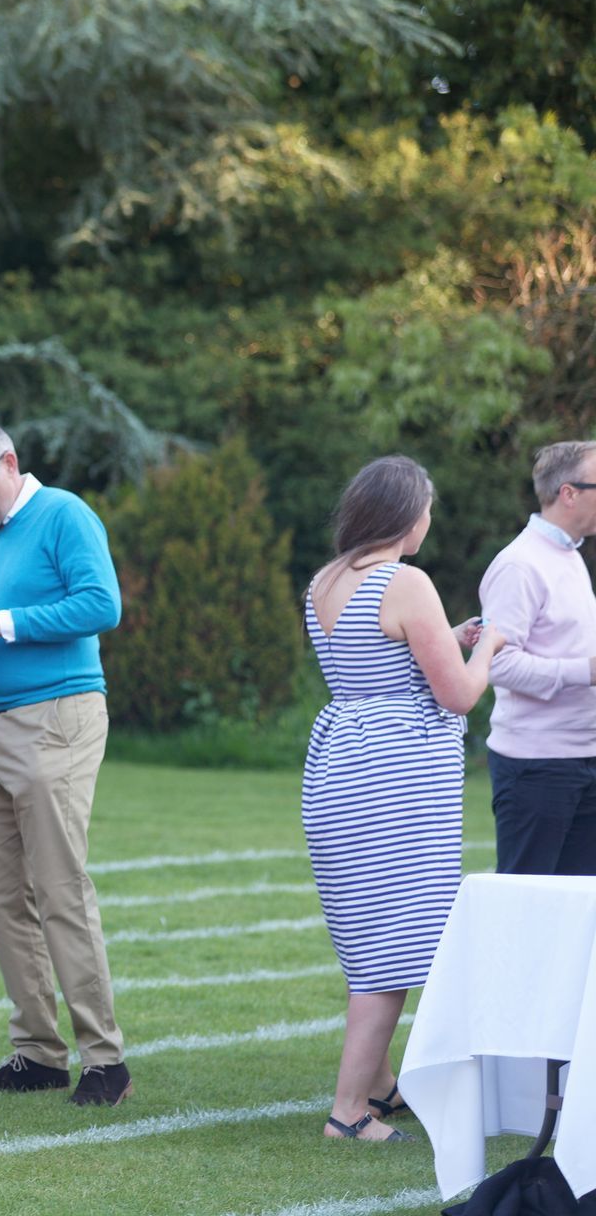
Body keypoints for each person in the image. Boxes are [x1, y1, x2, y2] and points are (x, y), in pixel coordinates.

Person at [302, 455, 503, 1142]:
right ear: (403, 514)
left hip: (342, 762)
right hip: (397, 777)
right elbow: (457, 694)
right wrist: (490, 646)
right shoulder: (406, 580)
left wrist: (448, 641)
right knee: (393, 945)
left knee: (367, 934)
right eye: (425, 508)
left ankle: (383, 1086)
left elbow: (375, 662)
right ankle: (349, 1110)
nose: (428, 520)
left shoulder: (326, 581)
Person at [0, 420, 130, 1106]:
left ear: (9, 463)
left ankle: (105, 1061)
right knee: (0, 898)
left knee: (58, 887)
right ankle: (37, 1053)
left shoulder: (65, 514)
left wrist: (3, 622)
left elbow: (103, 605)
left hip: (58, 714)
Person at [479, 440, 596, 876]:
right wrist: (584, 671)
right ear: (569, 493)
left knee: (577, 908)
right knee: (524, 907)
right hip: (536, 766)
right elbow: (495, 664)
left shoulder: (570, 555)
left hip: (583, 758)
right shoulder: (519, 564)